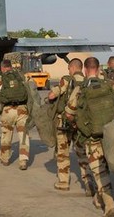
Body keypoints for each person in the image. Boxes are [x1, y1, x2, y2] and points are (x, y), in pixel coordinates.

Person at [65, 57, 114, 217]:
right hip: (111, 134)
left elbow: (69, 113)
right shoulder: (110, 85)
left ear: (86, 70)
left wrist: (78, 123)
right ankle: (98, 197)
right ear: (99, 68)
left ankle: (109, 204)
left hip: (91, 136)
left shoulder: (80, 89)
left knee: (98, 170)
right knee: (105, 166)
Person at [47, 58, 95, 195]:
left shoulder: (67, 80)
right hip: (82, 124)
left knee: (63, 153)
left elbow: (51, 96)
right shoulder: (88, 82)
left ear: (72, 68)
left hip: (65, 123)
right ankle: (88, 182)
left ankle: (63, 182)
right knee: (82, 154)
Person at [0, 59, 30, 170]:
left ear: (2, 68)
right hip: (22, 109)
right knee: (23, 135)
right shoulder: (21, 76)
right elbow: (31, 93)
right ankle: (23, 161)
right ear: (10, 67)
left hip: (7, 111)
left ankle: (5, 158)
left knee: (6, 135)